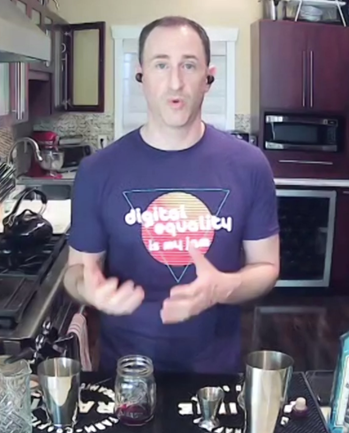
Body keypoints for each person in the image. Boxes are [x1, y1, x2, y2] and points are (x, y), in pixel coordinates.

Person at [63, 16, 280, 374]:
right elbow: (75, 271)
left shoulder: (250, 165)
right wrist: (89, 289)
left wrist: (222, 288)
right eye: (161, 64)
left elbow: (267, 267)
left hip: (216, 374)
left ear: (208, 77)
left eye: (189, 65)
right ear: (141, 75)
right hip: (124, 374)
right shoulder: (97, 171)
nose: (175, 82)